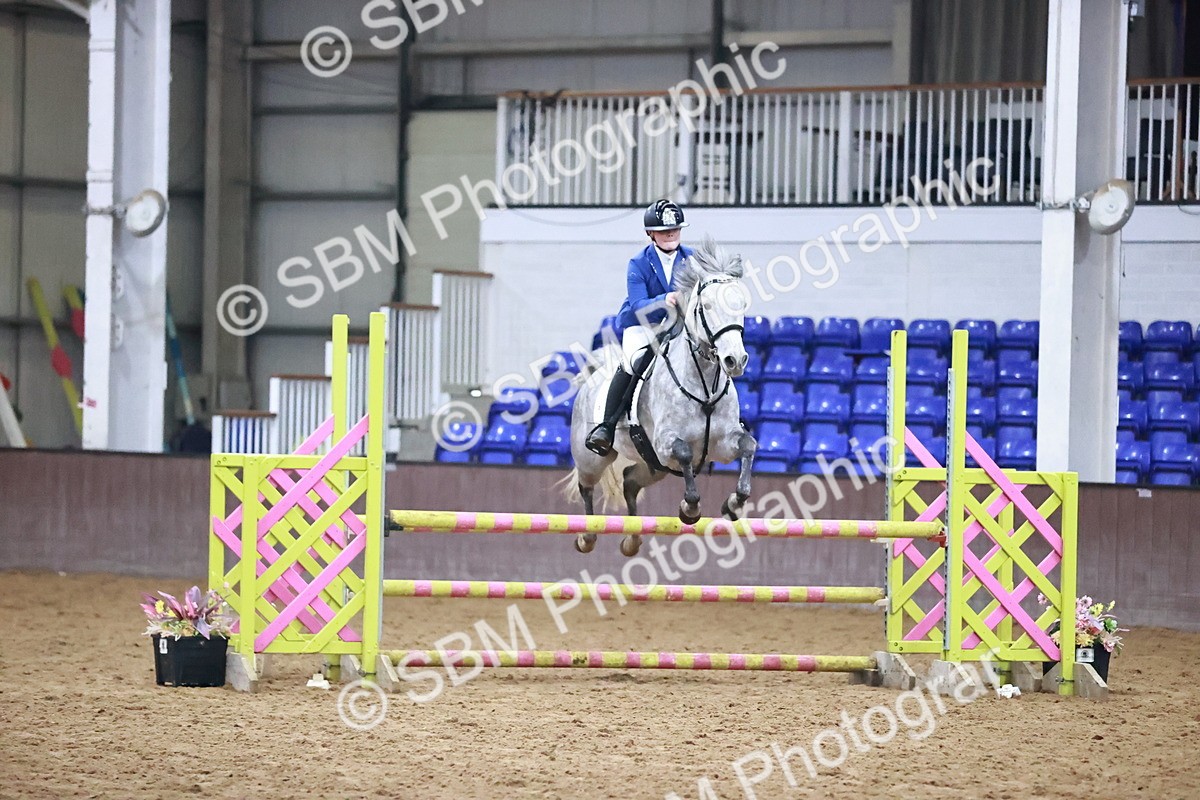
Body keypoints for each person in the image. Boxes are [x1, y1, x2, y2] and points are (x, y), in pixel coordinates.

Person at [585, 199, 692, 456]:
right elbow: (638, 304)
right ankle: (607, 426)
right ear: (650, 234)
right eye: (664, 230)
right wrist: (665, 300)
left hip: (678, 323)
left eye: (675, 229)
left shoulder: (692, 258)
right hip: (643, 323)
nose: (670, 234)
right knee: (634, 362)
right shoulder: (639, 262)